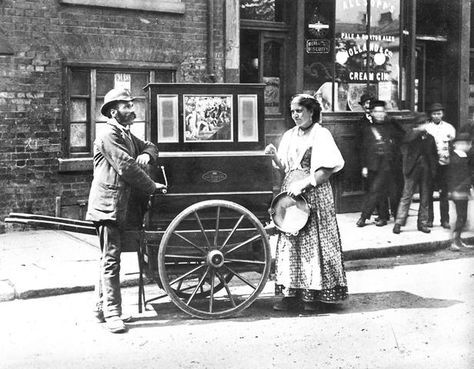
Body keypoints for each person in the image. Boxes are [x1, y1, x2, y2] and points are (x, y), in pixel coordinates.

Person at [86, 88, 167, 333]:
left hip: (122, 205)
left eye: (132, 105)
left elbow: (152, 146)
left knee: (107, 257)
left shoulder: (127, 134)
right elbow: (126, 166)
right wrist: (152, 186)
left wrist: (145, 154)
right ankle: (112, 314)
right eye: (126, 106)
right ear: (114, 111)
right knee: (111, 259)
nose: (132, 110)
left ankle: (101, 308)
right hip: (109, 205)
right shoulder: (109, 134)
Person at [265, 93, 347, 312]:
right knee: (291, 243)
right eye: (292, 111)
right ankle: (291, 295)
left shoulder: (321, 135)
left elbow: (326, 170)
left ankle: (315, 296)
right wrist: (274, 156)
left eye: (299, 111)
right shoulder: (290, 135)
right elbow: (285, 167)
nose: (295, 115)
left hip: (314, 195)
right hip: (290, 196)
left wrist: (304, 185)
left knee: (314, 243)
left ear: (311, 111)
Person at [356, 100, 405, 227]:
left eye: (382, 111)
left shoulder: (391, 126)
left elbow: (403, 136)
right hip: (372, 164)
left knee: (375, 189)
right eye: (376, 112)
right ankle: (383, 217)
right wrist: (364, 166)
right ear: (371, 113)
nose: (379, 114)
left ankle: (364, 217)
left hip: (388, 164)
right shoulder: (367, 129)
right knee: (380, 191)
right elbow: (363, 149)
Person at [393, 113, 438, 234]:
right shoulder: (411, 135)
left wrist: (433, 172)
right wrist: (417, 131)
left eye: (426, 123)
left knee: (425, 198)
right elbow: (405, 145)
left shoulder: (430, 138)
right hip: (412, 169)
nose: (424, 125)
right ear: (417, 125)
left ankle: (422, 223)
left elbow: (434, 156)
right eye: (421, 123)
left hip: (426, 171)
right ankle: (399, 223)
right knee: (406, 196)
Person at [425, 103, 456, 229]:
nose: (437, 116)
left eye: (439, 113)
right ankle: (429, 219)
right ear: (430, 115)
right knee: (429, 193)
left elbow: (452, 145)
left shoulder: (449, 128)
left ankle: (445, 220)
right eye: (434, 114)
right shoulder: (427, 128)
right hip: (431, 165)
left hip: (444, 164)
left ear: (442, 114)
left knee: (444, 193)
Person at [447, 132, 474, 251]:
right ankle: (454, 241)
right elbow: (458, 176)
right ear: (459, 144)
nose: (470, 146)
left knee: (461, 217)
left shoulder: (461, 156)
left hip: (461, 190)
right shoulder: (457, 159)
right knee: (461, 217)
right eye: (468, 144)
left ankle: (458, 240)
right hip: (459, 191)